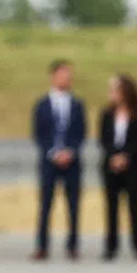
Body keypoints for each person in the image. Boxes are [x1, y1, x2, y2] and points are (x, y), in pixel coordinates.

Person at [31, 59, 86, 260]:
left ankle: (72, 246)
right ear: (53, 76)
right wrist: (53, 153)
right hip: (49, 162)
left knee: (73, 205)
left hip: (72, 162)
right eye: (63, 74)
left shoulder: (77, 105)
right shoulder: (42, 105)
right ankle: (42, 246)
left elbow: (81, 133)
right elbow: (39, 134)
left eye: (69, 75)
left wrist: (70, 152)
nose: (67, 78)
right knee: (46, 204)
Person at [98, 73, 137, 260]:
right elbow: (104, 138)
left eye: (115, 90)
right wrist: (113, 156)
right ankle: (111, 246)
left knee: (134, 206)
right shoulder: (107, 114)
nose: (112, 94)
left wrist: (125, 156)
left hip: (132, 165)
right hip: (111, 165)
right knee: (111, 206)